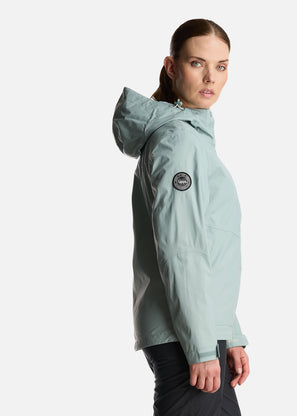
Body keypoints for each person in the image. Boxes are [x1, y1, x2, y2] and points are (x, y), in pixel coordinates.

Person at [112, 18, 250, 415]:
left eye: (221, 66)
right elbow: (182, 247)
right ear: (172, 68)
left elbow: (210, 250)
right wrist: (203, 346)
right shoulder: (178, 141)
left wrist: (229, 332)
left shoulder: (193, 138)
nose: (210, 77)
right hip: (186, 337)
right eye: (197, 63)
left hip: (200, 331)